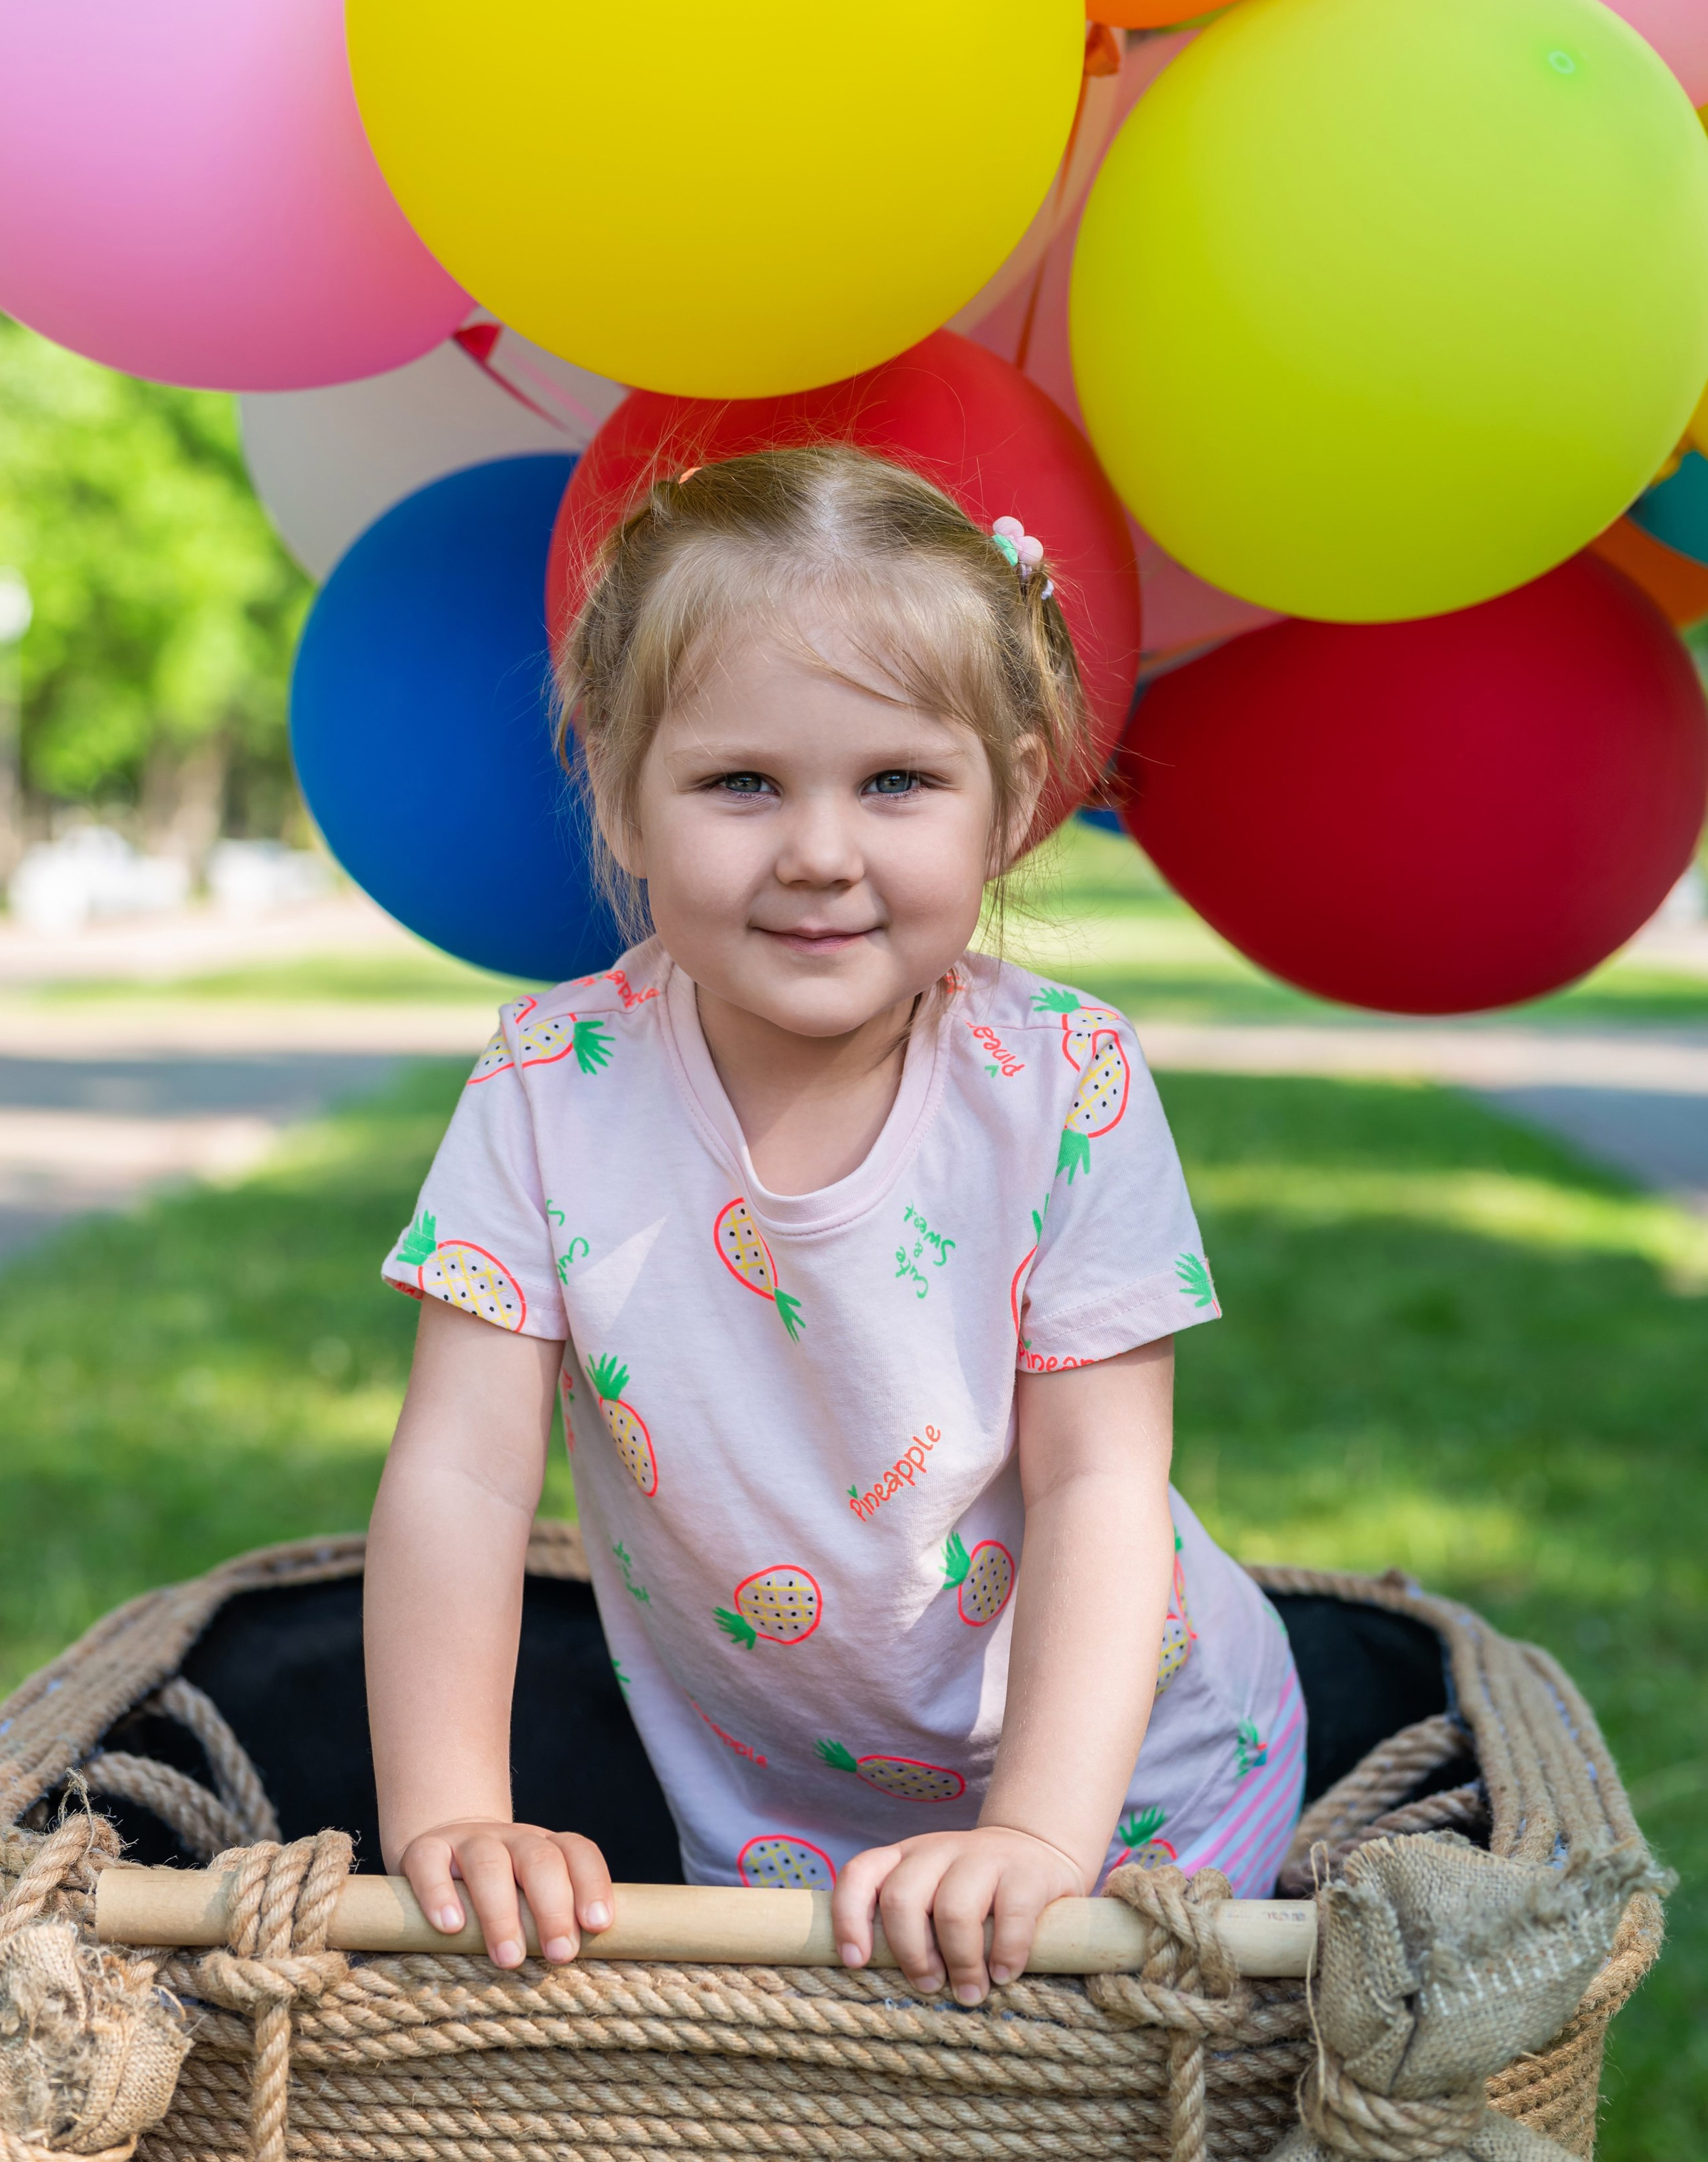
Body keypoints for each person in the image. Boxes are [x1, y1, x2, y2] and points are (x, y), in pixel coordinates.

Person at [364, 443, 1305, 2006]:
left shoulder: (1059, 1081)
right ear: (617, 783)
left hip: (1129, 1786)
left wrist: (1035, 1844)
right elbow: (459, 1471)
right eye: (741, 781)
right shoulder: (549, 1089)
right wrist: (453, 1808)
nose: (816, 849)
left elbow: (1095, 1488)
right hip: (779, 1821)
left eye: (894, 781)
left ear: (1007, 793)